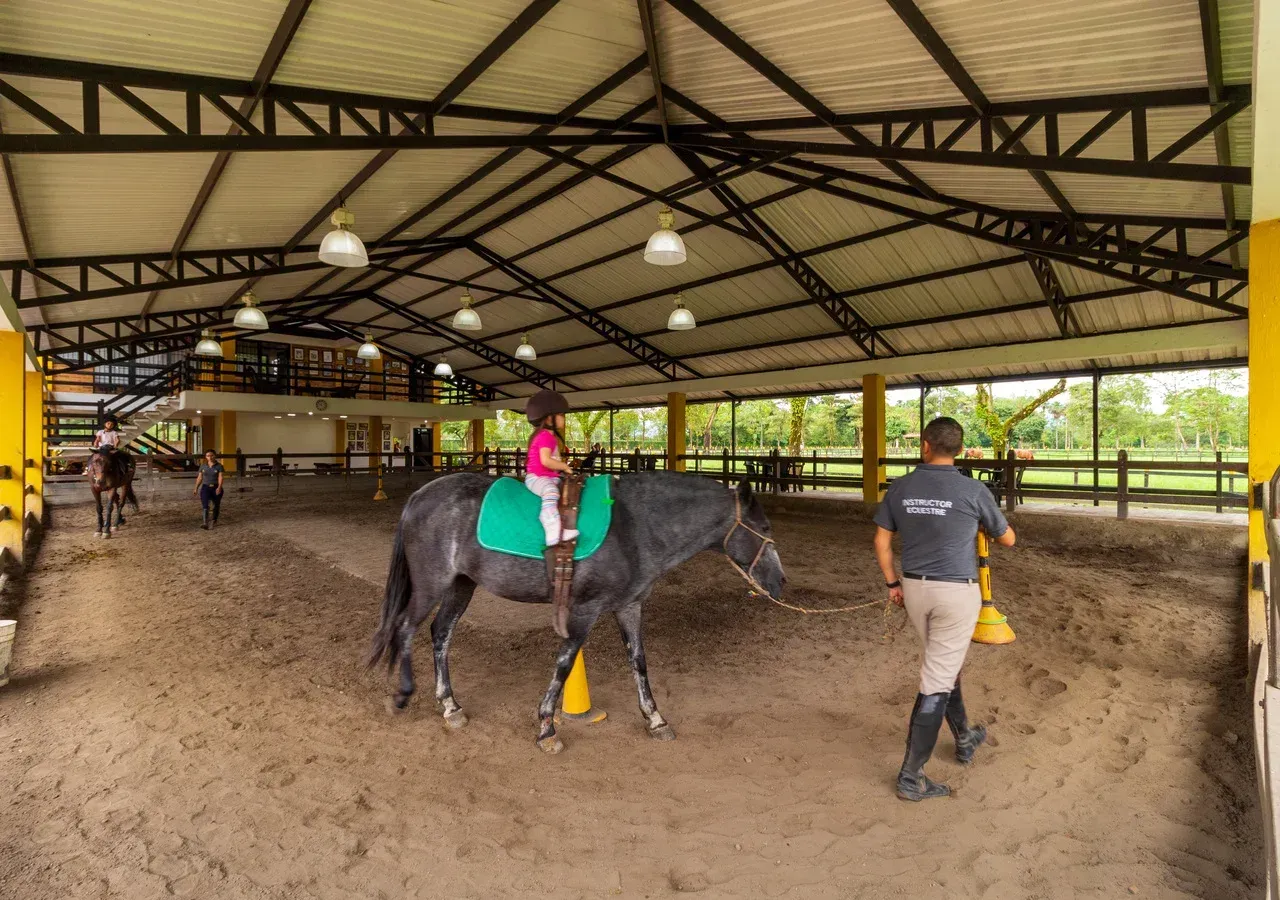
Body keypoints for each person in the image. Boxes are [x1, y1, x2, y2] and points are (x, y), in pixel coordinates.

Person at [872, 416, 1017, 802]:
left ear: (924, 445)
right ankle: (911, 777)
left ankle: (966, 737)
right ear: (959, 448)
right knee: (937, 677)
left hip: (915, 589)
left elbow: (882, 540)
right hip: (957, 594)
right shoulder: (973, 489)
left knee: (943, 664)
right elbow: (1008, 539)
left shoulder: (901, 487)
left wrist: (892, 582)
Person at [524, 389, 579, 546]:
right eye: (561, 415)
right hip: (537, 478)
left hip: (547, 477)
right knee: (551, 492)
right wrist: (564, 466)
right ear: (549, 419)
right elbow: (546, 461)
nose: (563, 418)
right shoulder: (545, 436)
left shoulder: (548, 436)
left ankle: (565, 527)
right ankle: (551, 528)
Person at [193, 449, 225, 530]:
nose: (210, 457)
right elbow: (200, 478)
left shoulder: (219, 466)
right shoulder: (203, 466)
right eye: (208, 456)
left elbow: (220, 477)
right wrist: (196, 488)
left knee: (216, 505)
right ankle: (205, 522)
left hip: (215, 487)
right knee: (205, 504)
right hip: (205, 487)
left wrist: (219, 487)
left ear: (215, 456)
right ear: (205, 457)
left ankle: (214, 520)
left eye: (211, 455)